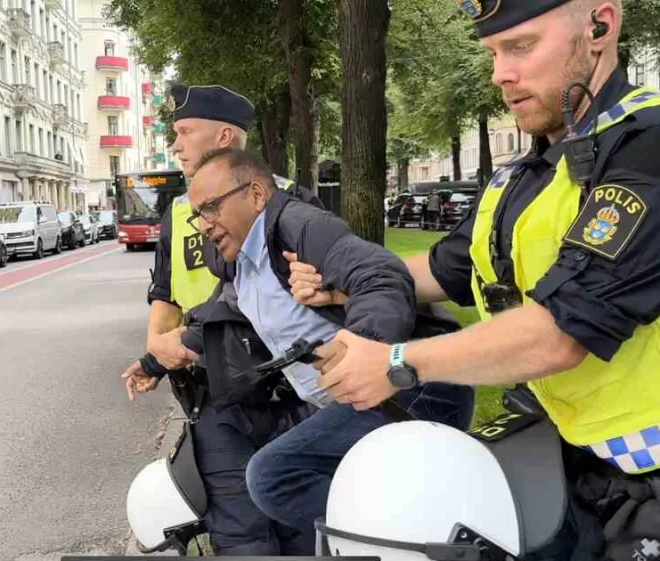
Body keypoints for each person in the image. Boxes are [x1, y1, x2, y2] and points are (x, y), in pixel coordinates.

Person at [289, 1, 660, 558]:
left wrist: (398, 364)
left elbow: (563, 332)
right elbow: (448, 269)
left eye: (521, 46)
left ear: (600, 25)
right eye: (493, 53)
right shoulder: (524, 175)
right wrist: (346, 285)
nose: (501, 72)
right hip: (573, 458)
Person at [182, 146, 475, 548]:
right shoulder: (241, 262)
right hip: (363, 400)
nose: (204, 224)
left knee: (272, 476)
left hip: (411, 388)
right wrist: (155, 357)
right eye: (198, 213)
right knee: (327, 491)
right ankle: (397, 539)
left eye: (211, 207)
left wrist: (366, 349)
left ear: (254, 195)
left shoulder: (300, 228)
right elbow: (222, 312)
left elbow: (382, 277)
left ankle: (401, 546)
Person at [120, 83, 321, 556]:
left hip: (289, 394)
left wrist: (181, 343)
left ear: (226, 136)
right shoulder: (177, 212)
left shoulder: (292, 203)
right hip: (217, 400)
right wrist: (156, 356)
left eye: (186, 132)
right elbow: (166, 294)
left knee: (302, 522)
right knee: (238, 531)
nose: (176, 145)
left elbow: (300, 299)